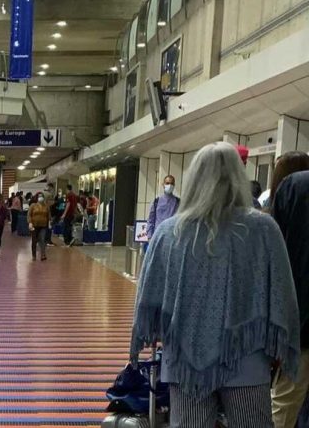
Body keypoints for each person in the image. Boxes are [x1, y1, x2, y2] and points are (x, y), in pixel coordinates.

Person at [130, 142, 300, 427]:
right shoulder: (263, 229)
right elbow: (283, 294)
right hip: (246, 358)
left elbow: (148, 299)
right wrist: (280, 342)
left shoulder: (169, 233)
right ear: (238, 177)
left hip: (184, 363)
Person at [272, 170, 309, 428]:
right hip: (298, 322)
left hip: (298, 320)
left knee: (284, 405)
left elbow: (273, 252)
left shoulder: (295, 186)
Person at [146, 175, 180, 241]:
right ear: (163, 184)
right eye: (167, 183)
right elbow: (151, 220)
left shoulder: (178, 202)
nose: (169, 185)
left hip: (172, 237)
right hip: (158, 236)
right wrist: (149, 237)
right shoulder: (157, 201)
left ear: (174, 185)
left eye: (172, 183)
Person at [28, 194, 50, 261]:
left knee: (42, 239)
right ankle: (34, 255)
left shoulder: (46, 206)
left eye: (42, 196)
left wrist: (49, 223)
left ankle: (43, 254)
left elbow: (49, 215)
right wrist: (30, 222)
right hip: (34, 225)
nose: (41, 198)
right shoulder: (33, 205)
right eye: (39, 196)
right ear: (37, 198)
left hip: (43, 226)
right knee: (34, 240)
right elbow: (29, 214)